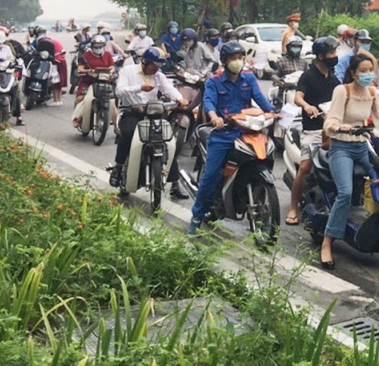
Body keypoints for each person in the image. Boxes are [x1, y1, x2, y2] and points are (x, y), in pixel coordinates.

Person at [188, 41, 274, 232]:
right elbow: (209, 101)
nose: (237, 62)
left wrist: (272, 111)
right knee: (210, 176)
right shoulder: (214, 81)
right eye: (233, 58)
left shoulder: (249, 79)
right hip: (223, 134)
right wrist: (214, 117)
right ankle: (196, 217)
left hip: (247, 131)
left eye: (240, 58)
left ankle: (260, 203)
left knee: (266, 158)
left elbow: (259, 98)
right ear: (225, 61)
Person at [319, 51, 379, 269]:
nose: (368, 75)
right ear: (354, 73)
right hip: (342, 146)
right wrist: (339, 126)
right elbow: (331, 119)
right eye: (363, 71)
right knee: (345, 192)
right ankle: (327, 242)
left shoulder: (372, 92)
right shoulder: (343, 90)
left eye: (371, 71)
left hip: (363, 145)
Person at [111, 47, 189, 199]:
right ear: (145, 62)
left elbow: (169, 89)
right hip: (131, 112)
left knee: (167, 141)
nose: (156, 69)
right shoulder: (128, 71)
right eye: (154, 65)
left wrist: (180, 99)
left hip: (154, 114)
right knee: (128, 133)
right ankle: (118, 168)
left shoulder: (159, 76)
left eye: (159, 66)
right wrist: (139, 88)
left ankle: (175, 183)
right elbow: (119, 91)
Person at [285, 37, 340, 226]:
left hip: (332, 130)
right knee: (306, 167)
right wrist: (308, 106)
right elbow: (298, 97)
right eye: (332, 53)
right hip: (313, 130)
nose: (335, 56)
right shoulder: (308, 76)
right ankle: (293, 207)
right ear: (321, 56)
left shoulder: (334, 79)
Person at [72, 34, 116, 129]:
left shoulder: (108, 55)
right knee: (80, 98)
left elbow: (112, 67)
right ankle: (77, 117)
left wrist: (110, 71)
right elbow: (80, 68)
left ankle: (117, 127)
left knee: (112, 104)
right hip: (88, 82)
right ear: (92, 46)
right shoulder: (86, 55)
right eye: (96, 46)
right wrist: (88, 71)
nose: (98, 48)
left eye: (100, 46)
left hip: (104, 82)